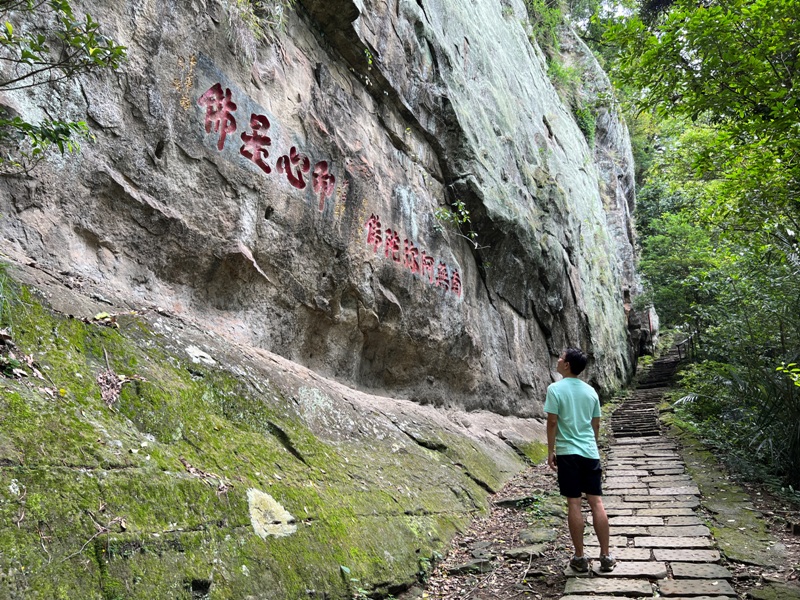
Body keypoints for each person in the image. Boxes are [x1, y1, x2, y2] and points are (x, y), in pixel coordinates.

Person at [544, 347, 616, 573]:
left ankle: (580, 557)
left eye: (561, 357)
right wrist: (591, 444)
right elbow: (596, 424)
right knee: (596, 503)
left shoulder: (555, 389)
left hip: (567, 453)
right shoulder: (591, 392)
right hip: (589, 452)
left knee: (574, 503)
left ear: (566, 365)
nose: (558, 359)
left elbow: (553, 422)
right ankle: (605, 556)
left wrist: (550, 450)